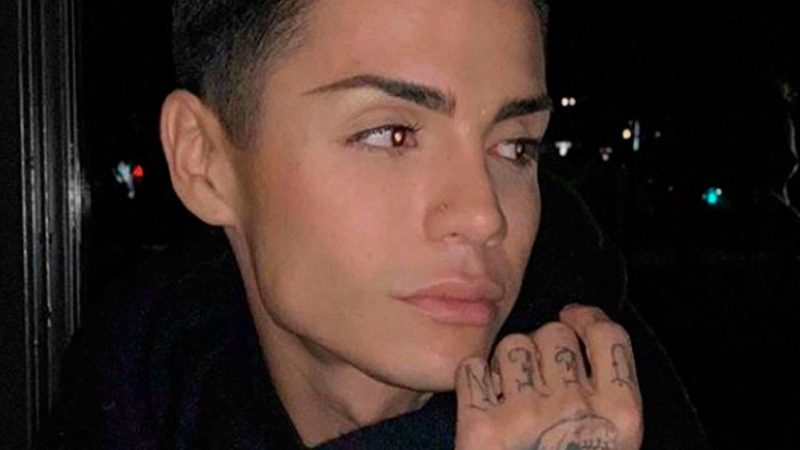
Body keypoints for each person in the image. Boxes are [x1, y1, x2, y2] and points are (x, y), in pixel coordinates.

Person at [39, 0, 709, 448]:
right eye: (391, 134)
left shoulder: (623, 419)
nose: (484, 214)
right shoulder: (124, 399)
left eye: (515, 146)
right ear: (205, 162)